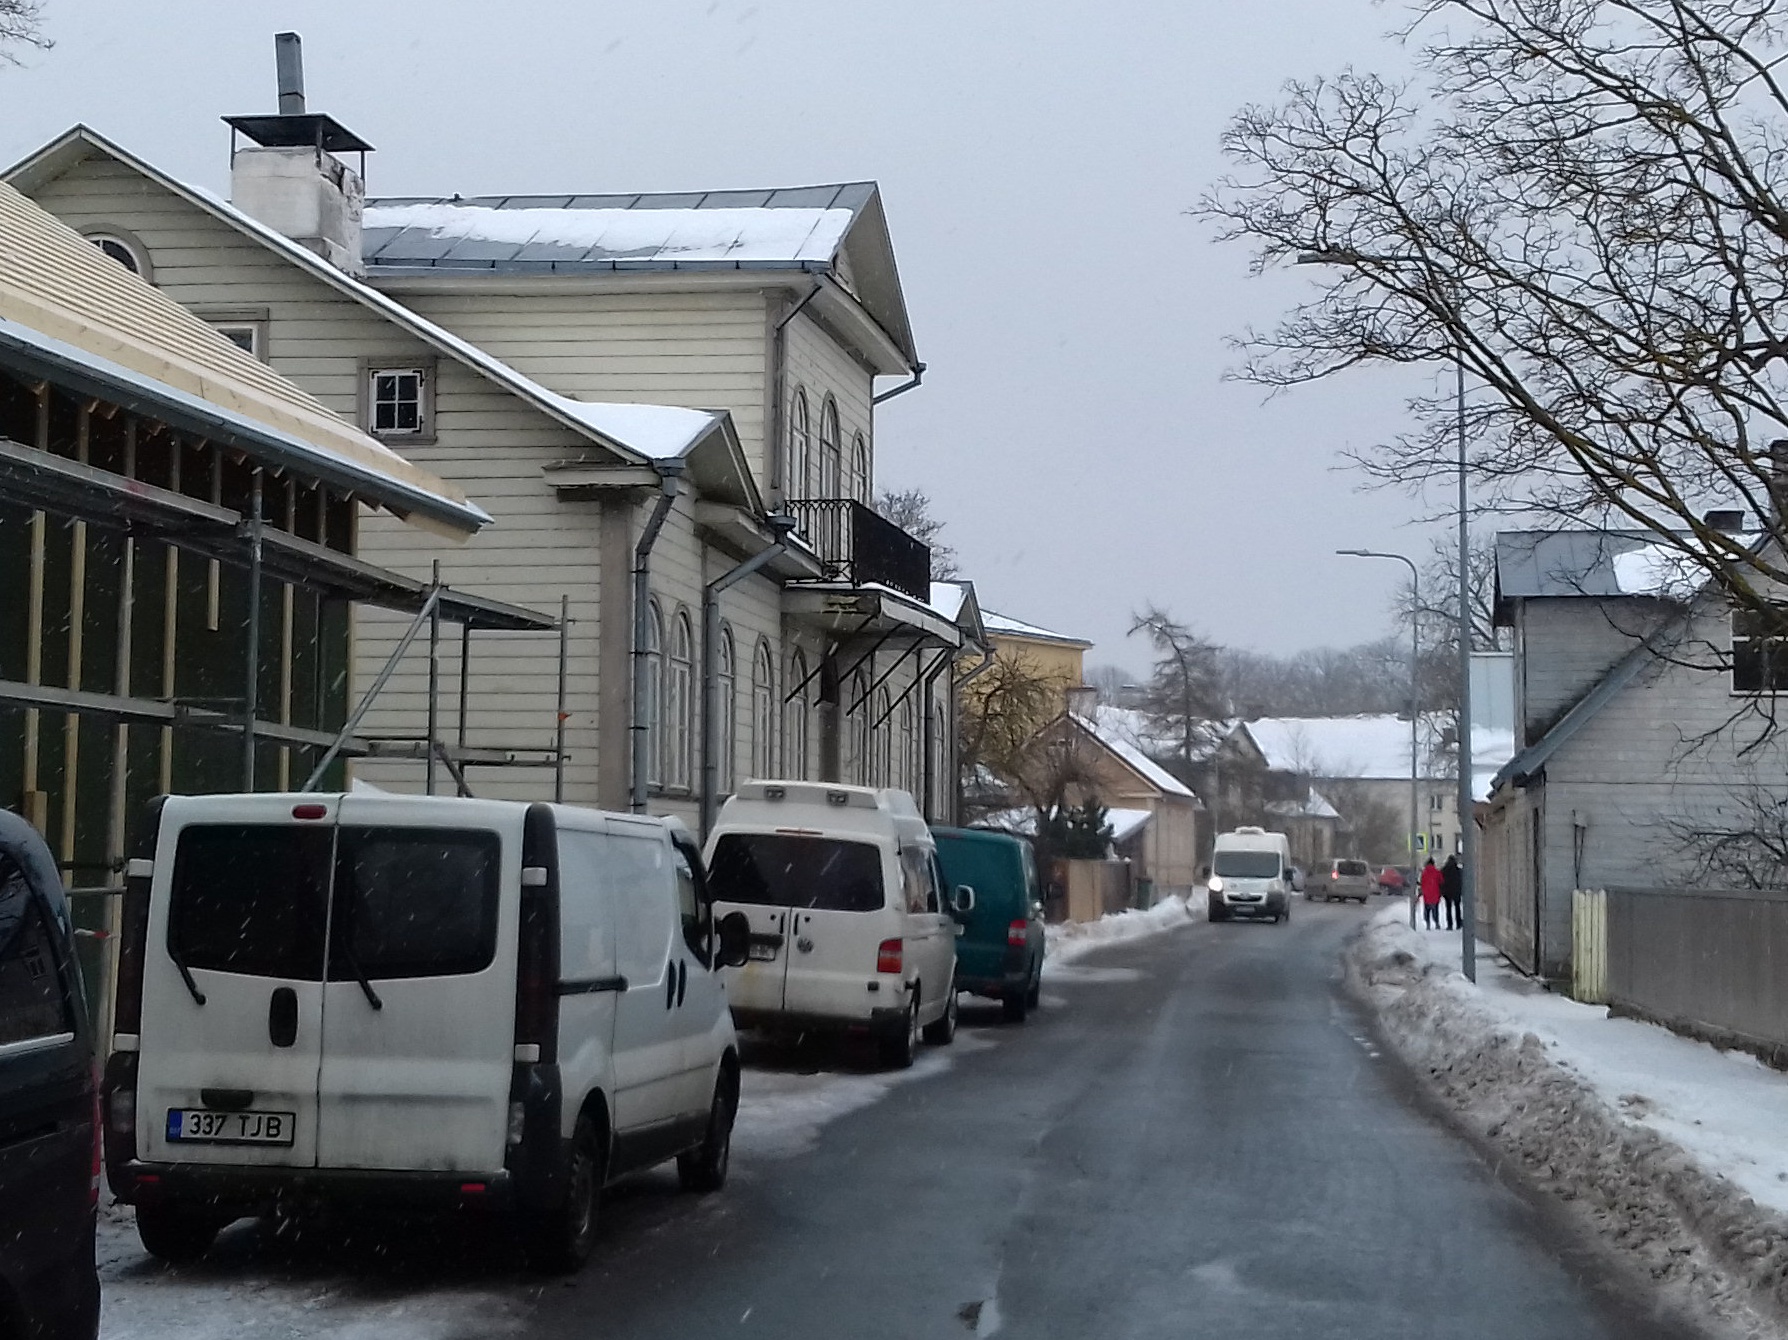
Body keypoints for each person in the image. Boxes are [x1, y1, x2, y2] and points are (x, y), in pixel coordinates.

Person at [1440, 854, 1463, 931]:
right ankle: (1458, 923)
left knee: (1448, 908)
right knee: (1457, 907)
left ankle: (1450, 924)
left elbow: (1441, 881)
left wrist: (1442, 891)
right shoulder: (1458, 870)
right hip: (1456, 891)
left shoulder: (1444, 870)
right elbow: (1461, 881)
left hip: (1447, 892)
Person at [1419, 857, 1442, 929]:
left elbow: (1422, 882)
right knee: (1435, 909)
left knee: (1427, 909)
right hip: (1435, 893)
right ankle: (1437, 923)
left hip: (1426, 894)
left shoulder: (1424, 872)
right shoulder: (1437, 872)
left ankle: (1428, 924)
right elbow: (1441, 881)